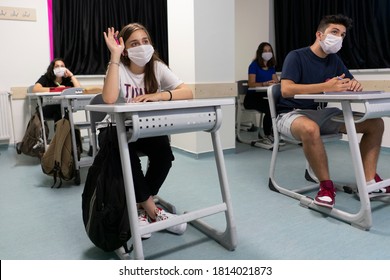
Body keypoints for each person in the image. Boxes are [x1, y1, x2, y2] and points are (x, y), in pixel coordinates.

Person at [277, 14, 389, 209]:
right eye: (334, 32)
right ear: (319, 34)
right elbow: (286, 89)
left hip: (322, 114)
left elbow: (348, 81)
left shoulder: (334, 60)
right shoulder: (296, 56)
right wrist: (325, 86)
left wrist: (353, 84)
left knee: (375, 123)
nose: (339, 38)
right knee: (311, 129)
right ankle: (326, 187)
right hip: (291, 114)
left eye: (343, 35)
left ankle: (369, 181)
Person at [102, 23, 193, 238]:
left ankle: (140, 206)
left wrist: (159, 95)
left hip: (145, 128)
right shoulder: (118, 67)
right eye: (134, 43)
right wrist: (114, 56)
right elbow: (108, 99)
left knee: (164, 155)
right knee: (125, 152)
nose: (141, 47)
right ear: (124, 48)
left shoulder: (157, 67)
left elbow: (187, 92)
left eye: (145, 41)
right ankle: (153, 211)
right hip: (116, 129)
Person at [244, 42, 282, 149]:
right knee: (271, 108)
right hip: (252, 98)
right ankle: (267, 136)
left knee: (277, 106)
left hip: (265, 96)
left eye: (269, 51)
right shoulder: (254, 65)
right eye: (265, 51)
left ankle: (273, 134)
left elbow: (276, 81)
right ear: (260, 53)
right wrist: (264, 84)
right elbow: (251, 83)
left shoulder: (271, 67)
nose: (267, 53)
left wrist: (276, 82)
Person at [32, 58, 81, 123]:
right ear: (52, 69)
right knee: (60, 108)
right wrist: (56, 89)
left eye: (62, 66)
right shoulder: (46, 78)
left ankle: (66, 131)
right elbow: (35, 89)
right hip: (45, 108)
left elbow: (79, 90)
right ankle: (63, 131)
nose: (60, 68)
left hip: (62, 108)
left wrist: (71, 75)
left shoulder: (66, 80)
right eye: (57, 66)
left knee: (64, 109)